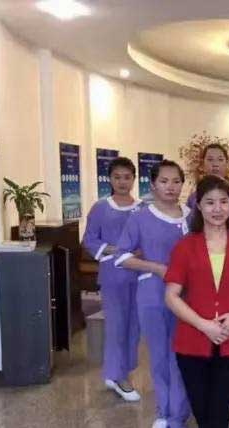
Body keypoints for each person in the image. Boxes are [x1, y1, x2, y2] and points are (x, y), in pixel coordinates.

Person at [164, 175, 229, 428]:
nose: (218, 209)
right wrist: (204, 325)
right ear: (198, 205)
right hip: (192, 341)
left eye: (223, 201)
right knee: (203, 415)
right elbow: (171, 296)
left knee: (220, 415)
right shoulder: (185, 247)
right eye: (210, 202)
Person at [114, 160, 191, 428]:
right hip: (153, 294)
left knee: (183, 355)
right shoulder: (140, 217)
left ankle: (180, 412)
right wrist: (157, 268)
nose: (171, 187)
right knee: (159, 355)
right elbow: (122, 257)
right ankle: (163, 411)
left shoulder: (192, 216)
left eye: (176, 181)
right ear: (153, 185)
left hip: (189, 296)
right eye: (164, 181)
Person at [82, 157, 142, 401]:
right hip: (112, 276)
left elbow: (148, 238)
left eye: (127, 177)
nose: (122, 182)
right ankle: (119, 377)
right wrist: (115, 250)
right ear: (109, 179)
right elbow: (89, 239)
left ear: (134, 179)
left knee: (133, 327)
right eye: (117, 177)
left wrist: (137, 253)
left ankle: (118, 371)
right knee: (116, 326)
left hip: (138, 275)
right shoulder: (100, 208)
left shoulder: (142, 209)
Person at [186, 143, 229, 209]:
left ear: (227, 164)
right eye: (210, 160)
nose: (215, 164)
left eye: (220, 160)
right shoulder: (193, 198)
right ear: (202, 164)